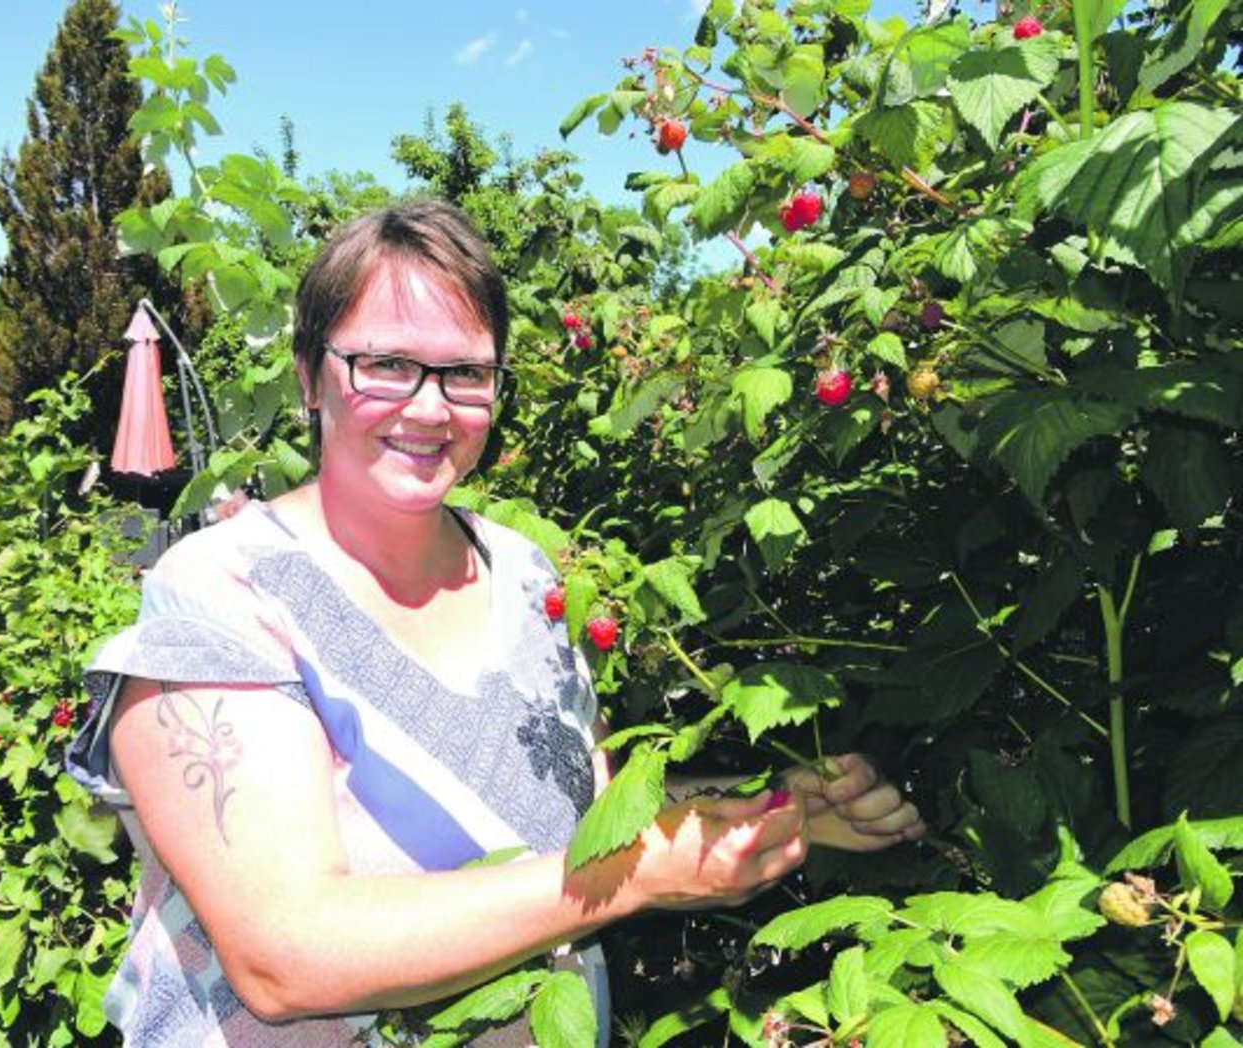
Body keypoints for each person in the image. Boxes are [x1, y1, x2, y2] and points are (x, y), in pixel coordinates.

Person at [66, 199, 925, 1046]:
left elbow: (568, 805)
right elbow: (286, 956)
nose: (431, 408)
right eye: (385, 365)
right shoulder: (222, 593)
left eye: (467, 373)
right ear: (307, 374)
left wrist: (762, 812)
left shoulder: (525, 574)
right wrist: (631, 877)